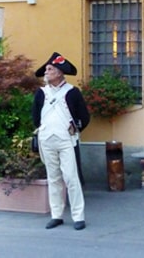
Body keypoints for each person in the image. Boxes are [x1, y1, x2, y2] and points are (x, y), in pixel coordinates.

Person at [31, 52, 90, 231]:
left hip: (66, 140)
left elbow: (84, 117)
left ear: (59, 73)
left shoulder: (72, 92)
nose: (46, 72)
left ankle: (78, 216)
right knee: (53, 178)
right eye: (46, 70)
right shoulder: (41, 93)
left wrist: (75, 127)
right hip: (47, 139)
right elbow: (35, 117)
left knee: (71, 178)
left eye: (50, 69)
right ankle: (56, 215)